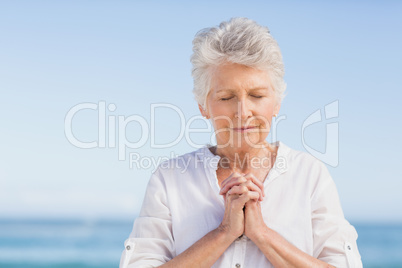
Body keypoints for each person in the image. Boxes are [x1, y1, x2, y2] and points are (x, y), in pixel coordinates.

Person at [120, 17, 363, 268]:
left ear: (277, 102)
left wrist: (262, 235)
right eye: (226, 97)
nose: (242, 111)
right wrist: (224, 232)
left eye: (257, 95)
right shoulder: (169, 180)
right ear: (203, 106)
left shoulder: (310, 175)